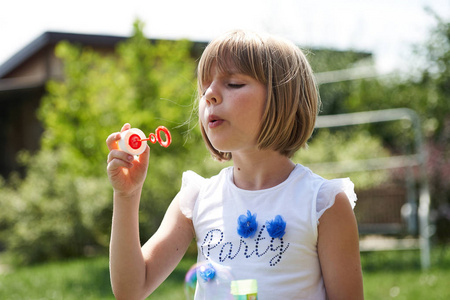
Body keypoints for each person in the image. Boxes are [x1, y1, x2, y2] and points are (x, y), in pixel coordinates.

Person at [106, 30, 364, 300]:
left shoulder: (322, 204)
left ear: (282, 99)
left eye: (233, 84)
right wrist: (127, 194)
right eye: (205, 88)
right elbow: (131, 290)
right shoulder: (197, 199)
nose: (210, 96)